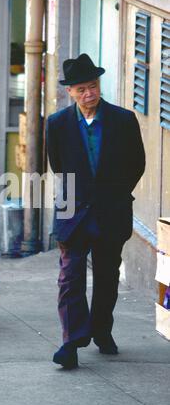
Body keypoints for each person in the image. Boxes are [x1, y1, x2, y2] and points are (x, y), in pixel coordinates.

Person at [46, 53, 145, 369]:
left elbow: (137, 164)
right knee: (69, 277)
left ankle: (102, 330)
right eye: (82, 90)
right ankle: (71, 343)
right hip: (73, 213)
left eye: (93, 87)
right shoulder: (57, 124)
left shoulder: (123, 120)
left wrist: (113, 193)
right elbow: (57, 165)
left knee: (106, 277)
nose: (89, 94)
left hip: (111, 211)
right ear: (70, 93)